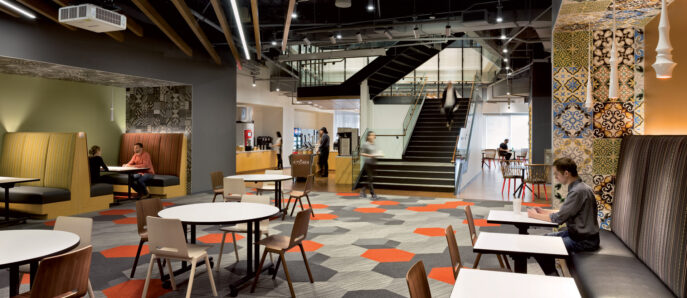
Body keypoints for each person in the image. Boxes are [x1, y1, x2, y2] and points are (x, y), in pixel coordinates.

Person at [527, 157, 600, 276]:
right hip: (580, 235)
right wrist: (543, 211)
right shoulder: (581, 188)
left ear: (566, 173)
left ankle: (553, 278)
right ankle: (552, 275)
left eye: (556, 174)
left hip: (584, 241)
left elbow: (559, 219)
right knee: (542, 239)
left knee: (539, 245)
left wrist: (534, 215)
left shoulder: (577, 191)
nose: (555, 177)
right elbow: (564, 212)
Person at [360, 131, 379, 199]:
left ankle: (362, 190)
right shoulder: (365, 144)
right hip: (368, 163)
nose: (373, 136)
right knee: (370, 178)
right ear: (368, 136)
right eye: (371, 135)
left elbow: (375, 152)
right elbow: (361, 153)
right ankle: (372, 193)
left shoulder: (374, 144)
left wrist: (378, 154)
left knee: (370, 179)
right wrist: (369, 155)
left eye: (374, 135)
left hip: (373, 163)